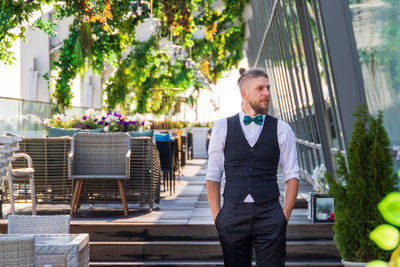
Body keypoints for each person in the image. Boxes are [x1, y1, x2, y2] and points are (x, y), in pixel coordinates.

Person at [206, 68, 299, 267]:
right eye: (260, 88)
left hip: (270, 214)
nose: (267, 93)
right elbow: (213, 175)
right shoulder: (222, 127)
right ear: (244, 93)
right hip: (232, 214)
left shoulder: (283, 129)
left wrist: (284, 217)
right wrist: (218, 217)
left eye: (268, 88)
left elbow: (292, 175)